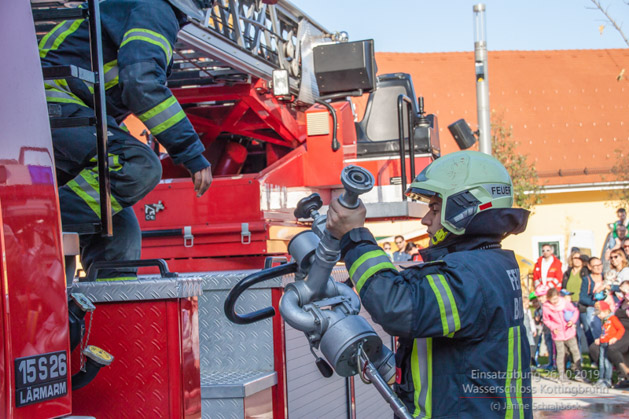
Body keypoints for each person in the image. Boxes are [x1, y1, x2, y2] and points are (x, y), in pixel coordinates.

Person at [326, 151, 532, 417]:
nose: (426, 220)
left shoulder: (471, 275)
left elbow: (395, 305)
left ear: (465, 207)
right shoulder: (490, 266)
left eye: (435, 209)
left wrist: (354, 238)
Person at [40, 0, 214, 280]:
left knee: (119, 231)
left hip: (62, 106)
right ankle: (30, 225)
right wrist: (190, 152)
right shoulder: (154, 7)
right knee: (136, 165)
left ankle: (107, 317)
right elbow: (142, 83)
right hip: (50, 100)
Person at [542, 287, 583, 381]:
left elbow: (575, 311)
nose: (555, 301)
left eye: (556, 298)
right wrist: (553, 327)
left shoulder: (564, 303)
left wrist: (572, 321)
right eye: (552, 300)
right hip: (558, 334)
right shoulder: (546, 307)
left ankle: (578, 371)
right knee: (561, 354)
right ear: (549, 299)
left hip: (569, 331)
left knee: (575, 351)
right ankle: (561, 374)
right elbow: (546, 320)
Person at [589, 301, 625, 388]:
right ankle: (601, 379)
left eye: (599, 313)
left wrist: (615, 338)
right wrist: (600, 339)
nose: (598, 316)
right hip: (603, 343)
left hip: (608, 344)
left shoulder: (612, 318)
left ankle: (607, 380)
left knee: (607, 362)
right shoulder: (604, 320)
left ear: (606, 311)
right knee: (601, 362)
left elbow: (621, 329)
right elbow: (605, 332)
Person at [580, 257, 606, 346]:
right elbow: (582, 297)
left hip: (608, 307)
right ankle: (597, 352)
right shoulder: (587, 280)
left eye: (600, 265)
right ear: (590, 267)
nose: (599, 267)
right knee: (596, 330)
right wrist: (594, 303)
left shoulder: (606, 276)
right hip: (594, 307)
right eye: (596, 266)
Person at [534, 285, 555, 370]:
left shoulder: (550, 304)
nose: (539, 299)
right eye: (538, 297)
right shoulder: (542, 305)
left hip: (552, 328)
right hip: (546, 328)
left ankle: (554, 364)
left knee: (554, 346)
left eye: (541, 296)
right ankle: (550, 362)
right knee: (548, 345)